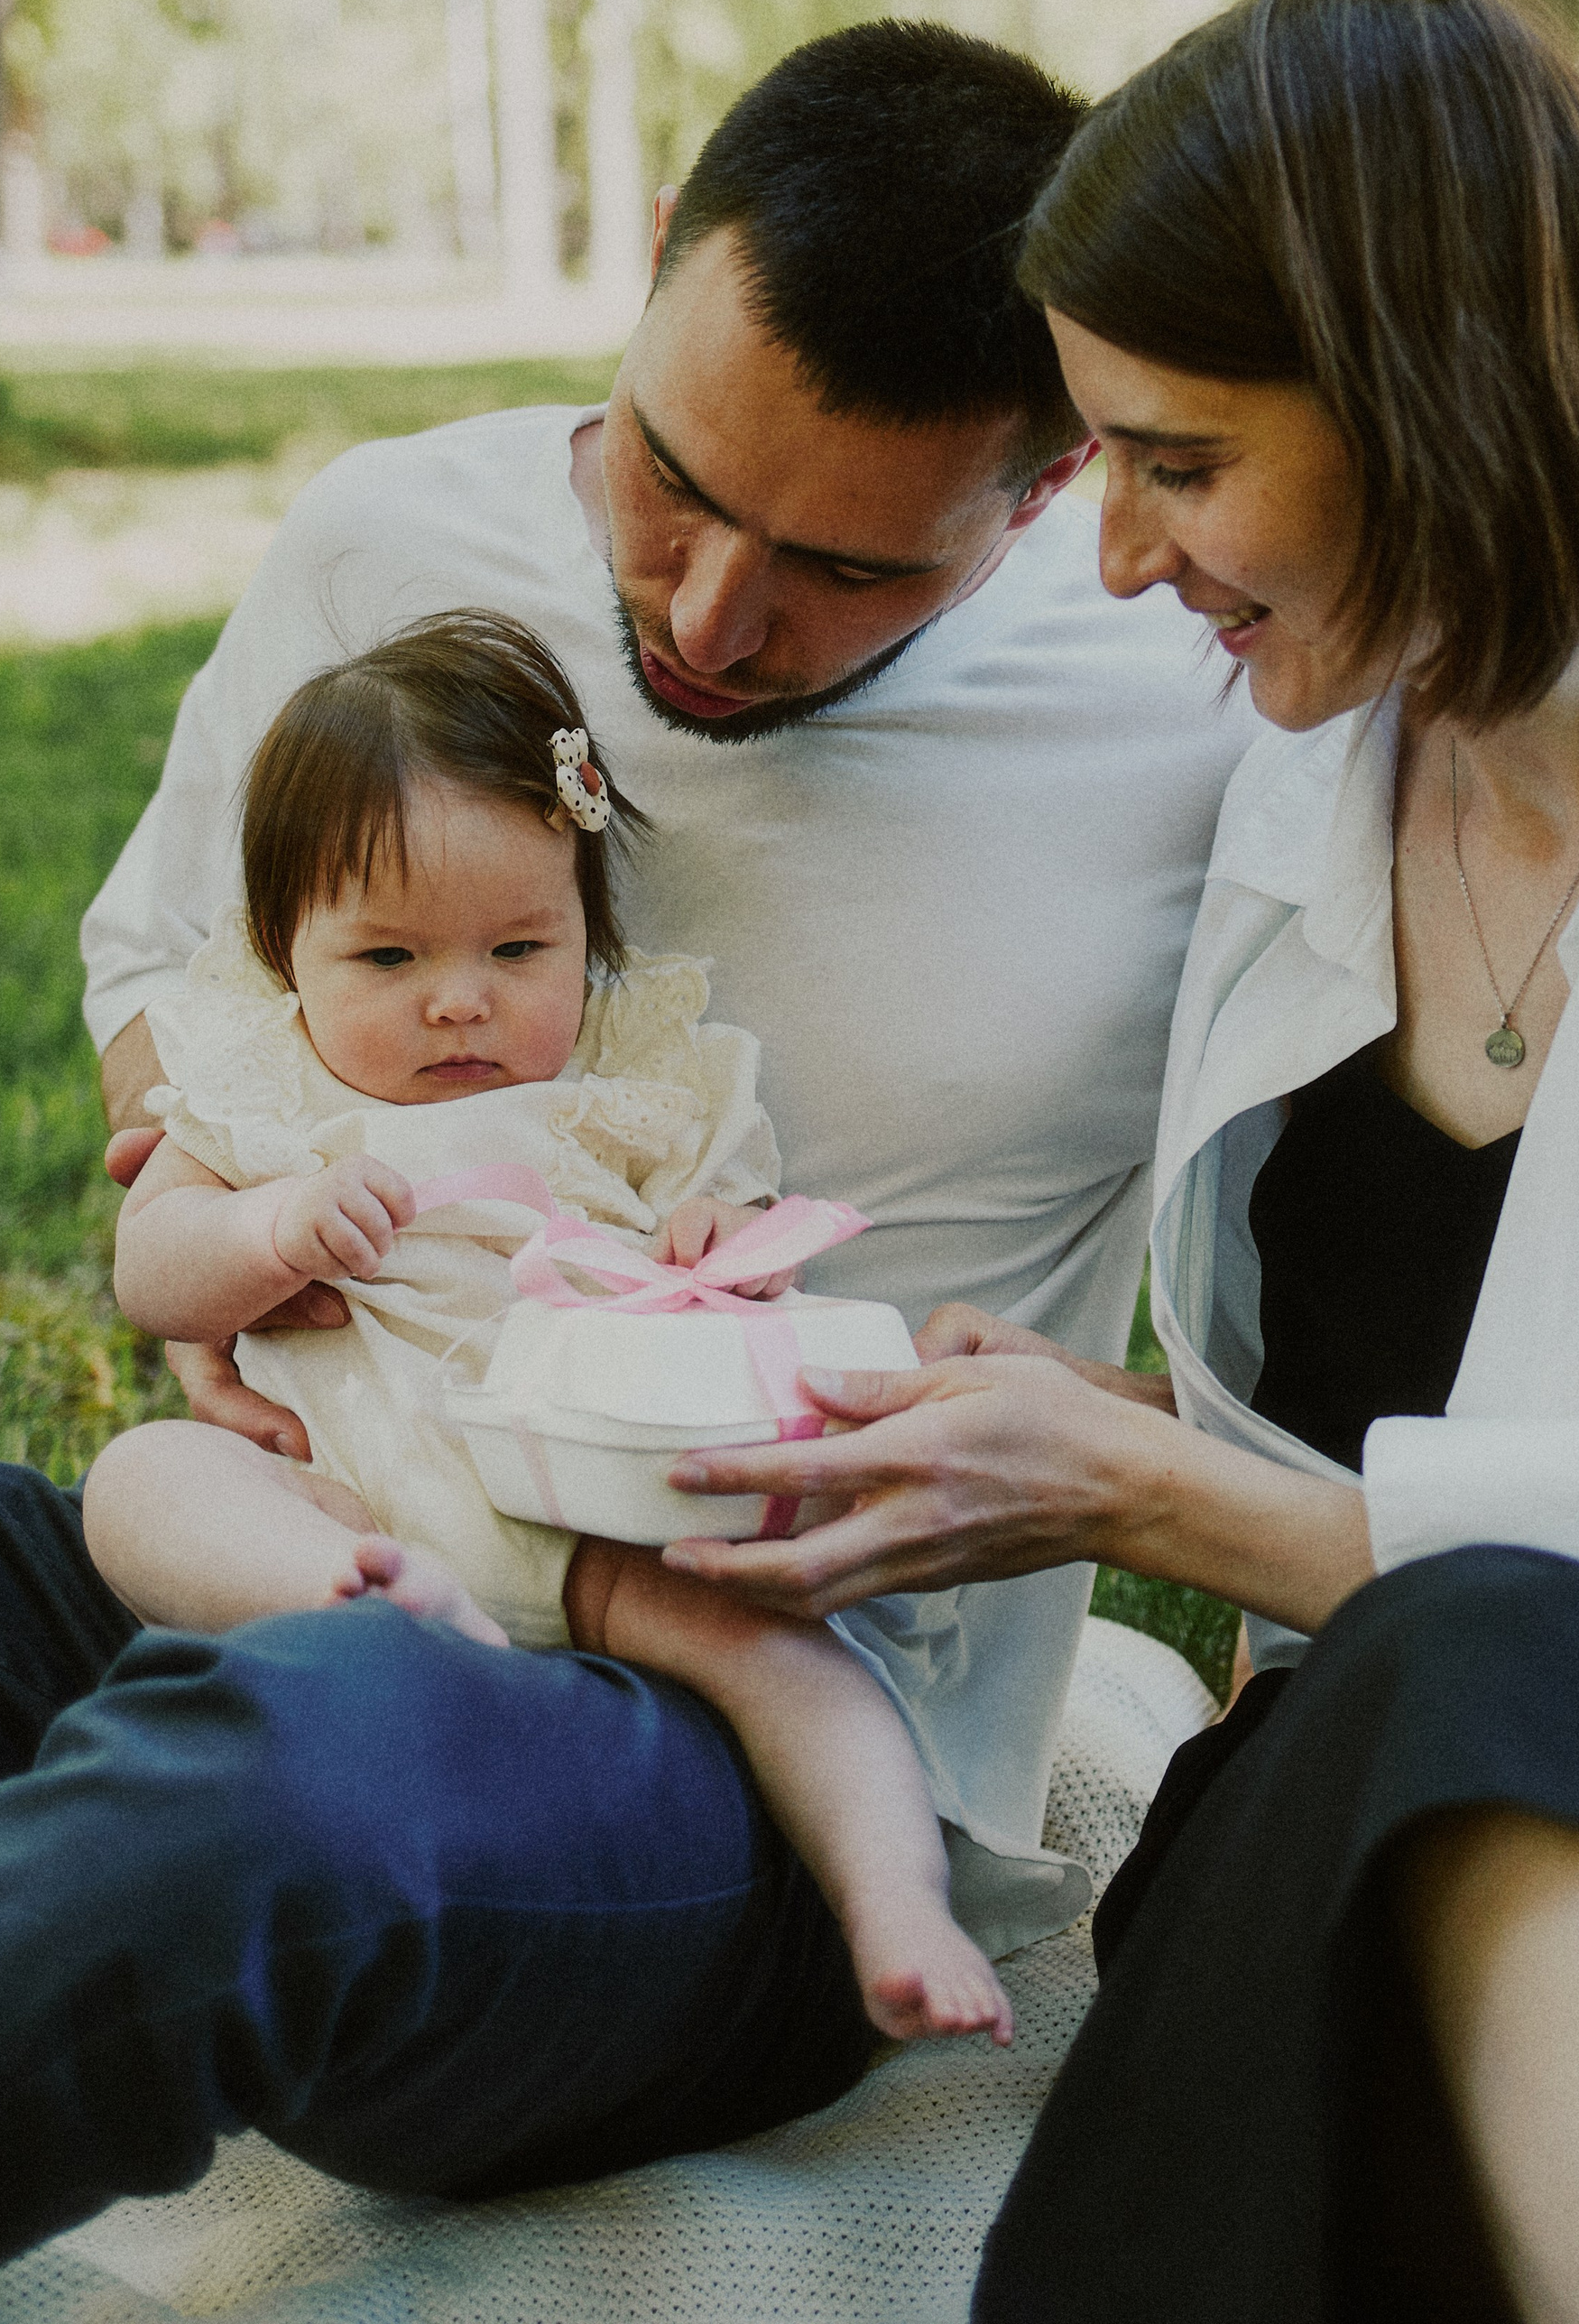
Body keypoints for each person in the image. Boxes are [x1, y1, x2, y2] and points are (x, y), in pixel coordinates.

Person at [657, 0, 1579, 2324]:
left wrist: (1169, 1498)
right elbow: (1410, 1451)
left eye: (1176, 461)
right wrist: (1084, 1435)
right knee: (1476, 1666)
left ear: (1427, 395)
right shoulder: (1296, 798)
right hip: (1390, 1824)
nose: (1121, 558)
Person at [0, 20, 1251, 2321]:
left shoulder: (1191, 715)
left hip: (737, 1741)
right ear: (648, 286)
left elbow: (1345, 1298)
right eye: (674, 480)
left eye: (835, 570)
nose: (705, 616)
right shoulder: (387, 536)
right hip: (316, 1549)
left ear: (1043, 496)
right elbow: (173, 964)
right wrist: (236, 1232)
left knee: (302, 1782)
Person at [88, 606, 1011, 2047]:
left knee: (799, 1672)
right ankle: (367, 1601)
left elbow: (736, 1220)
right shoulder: (267, 1093)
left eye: (521, 945)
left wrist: (716, 1239)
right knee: (143, 1482)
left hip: (591, 1514)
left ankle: (895, 1900)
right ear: (287, 952)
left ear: (588, 929)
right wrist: (266, 1232)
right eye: (386, 960)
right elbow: (154, 1269)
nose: (462, 1001)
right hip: (350, 1483)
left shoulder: (633, 1083)